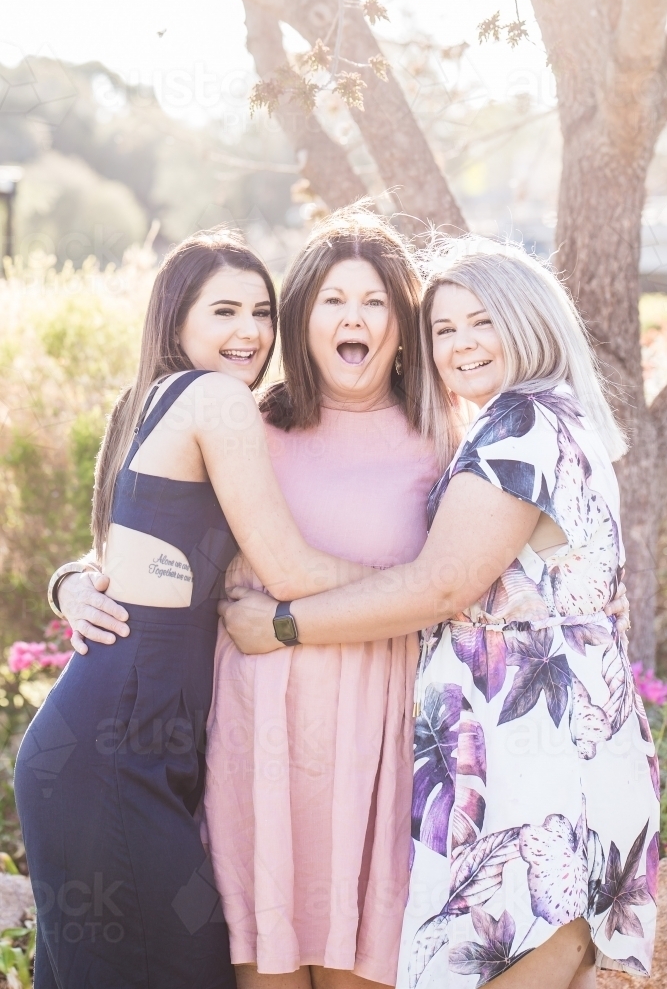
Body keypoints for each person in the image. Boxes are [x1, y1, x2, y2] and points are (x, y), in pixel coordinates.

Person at [56, 215, 629, 989]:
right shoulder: (247, 423)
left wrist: (313, 611)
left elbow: (447, 580)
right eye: (331, 300)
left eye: (374, 303)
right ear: (303, 319)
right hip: (257, 740)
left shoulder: (454, 435)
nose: (353, 319)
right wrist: (75, 582)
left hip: (386, 742)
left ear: (402, 327)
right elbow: (146, 540)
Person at [222, 238, 657, 989]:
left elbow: (437, 587)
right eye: (445, 328)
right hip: (538, 755)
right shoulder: (530, 420)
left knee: (533, 954)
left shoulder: (518, 428)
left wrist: (282, 624)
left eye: (480, 322)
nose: (459, 345)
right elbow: (461, 581)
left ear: (528, 323)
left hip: (544, 765)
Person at [16, 229, 374, 989]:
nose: (249, 331)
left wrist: (68, 582)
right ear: (176, 321)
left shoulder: (151, 400)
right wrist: (435, 581)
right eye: (224, 312)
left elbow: (116, 558)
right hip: (116, 750)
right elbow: (287, 568)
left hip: (119, 742)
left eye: (262, 311)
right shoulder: (215, 398)